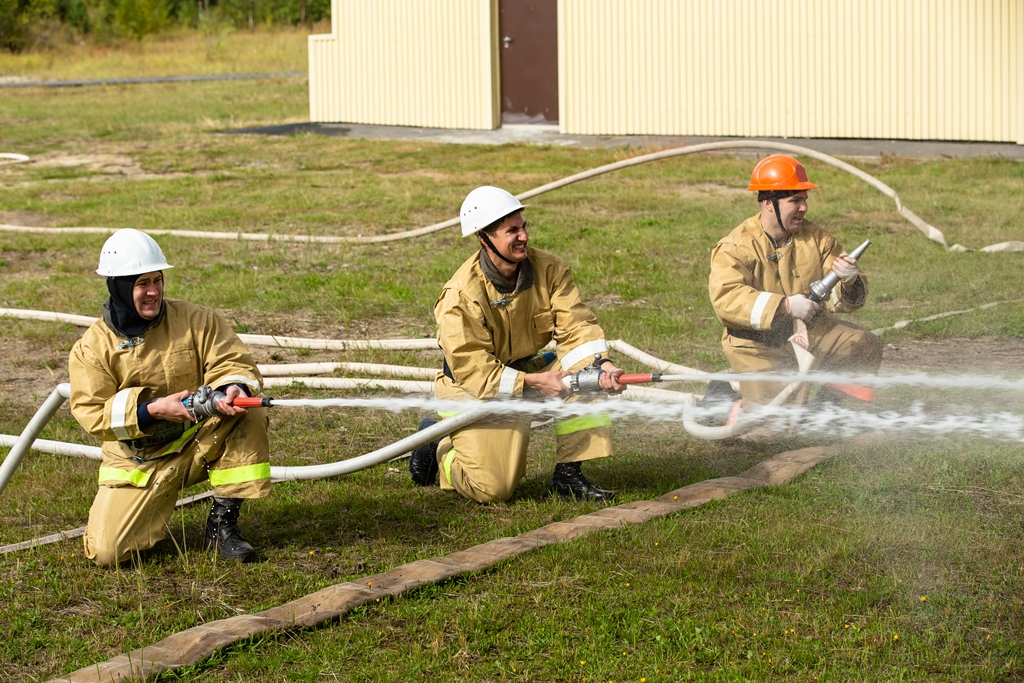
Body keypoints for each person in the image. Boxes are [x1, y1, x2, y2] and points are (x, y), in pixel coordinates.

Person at [68, 228, 271, 567]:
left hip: (197, 440)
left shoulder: (196, 320)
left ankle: (223, 525)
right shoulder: (93, 348)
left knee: (247, 412)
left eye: (157, 280)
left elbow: (233, 362)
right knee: (107, 553)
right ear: (118, 287)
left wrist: (231, 389)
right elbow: (92, 413)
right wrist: (150, 411)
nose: (153, 292)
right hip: (139, 460)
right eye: (141, 284)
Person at [408, 186, 624, 503]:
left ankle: (568, 476)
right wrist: (533, 383)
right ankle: (438, 447)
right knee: (494, 489)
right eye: (512, 231)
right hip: (472, 388)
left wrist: (601, 365)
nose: (523, 236)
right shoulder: (461, 296)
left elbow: (577, 326)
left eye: (523, 226)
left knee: (588, 376)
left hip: (525, 370)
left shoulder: (550, 270)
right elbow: (473, 369)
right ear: (485, 238)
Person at [707, 154, 883, 409]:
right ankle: (723, 397)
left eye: (804, 200)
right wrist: (785, 306)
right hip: (758, 347)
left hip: (809, 334)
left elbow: (842, 300)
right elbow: (727, 299)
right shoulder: (735, 247)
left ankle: (828, 412)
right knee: (773, 430)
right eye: (795, 201)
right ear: (769, 203)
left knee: (862, 345)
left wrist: (849, 282)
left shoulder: (818, 239)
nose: (804, 208)